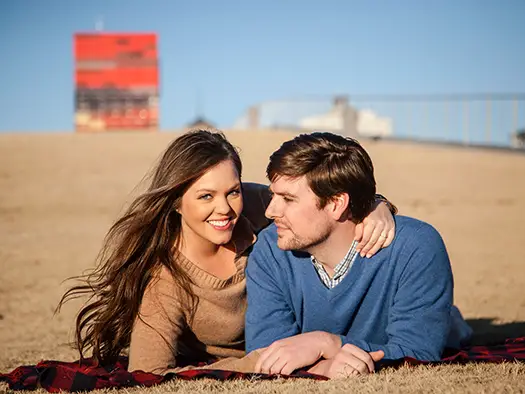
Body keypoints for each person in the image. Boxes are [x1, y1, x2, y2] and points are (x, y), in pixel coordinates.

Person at [56, 129, 397, 375]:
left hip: (303, 340)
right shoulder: (166, 282)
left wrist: (377, 206)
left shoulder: (258, 204)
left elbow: (327, 200)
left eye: (232, 191)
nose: (225, 209)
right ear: (176, 202)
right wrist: (266, 363)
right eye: (205, 196)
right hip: (268, 356)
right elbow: (148, 374)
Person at [244, 132, 473, 378]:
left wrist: (328, 344)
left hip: (435, 323)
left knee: (451, 328)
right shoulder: (270, 249)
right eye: (273, 195)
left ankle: (453, 321)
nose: (270, 211)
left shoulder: (415, 247)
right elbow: (266, 354)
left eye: (288, 199)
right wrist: (326, 367)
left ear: (336, 203)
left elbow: (417, 353)